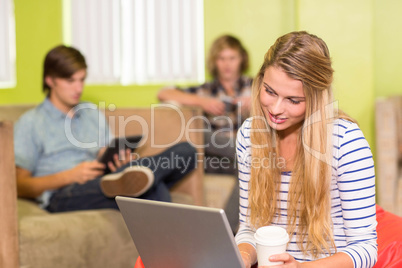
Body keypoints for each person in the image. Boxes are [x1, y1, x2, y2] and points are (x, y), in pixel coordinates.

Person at [235, 31, 377, 267]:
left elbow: (365, 249)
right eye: (269, 91)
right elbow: (249, 228)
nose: (276, 109)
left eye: (293, 100)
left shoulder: (346, 142)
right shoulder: (249, 135)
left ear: (315, 99)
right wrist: (241, 255)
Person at [14, 45, 197, 212]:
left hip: (104, 179)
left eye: (82, 79)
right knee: (152, 188)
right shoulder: (31, 122)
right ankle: (139, 179)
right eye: (71, 81)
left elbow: (105, 151)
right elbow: (19, 185)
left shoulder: (91, 112)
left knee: (187, 151)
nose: (79, 88)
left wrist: (118, 162)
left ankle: (134, 178)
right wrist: (70, 176)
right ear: (50, 80)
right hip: (64, 193)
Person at [158, 34, 252, 175]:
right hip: (216, 155)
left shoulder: (256, 86)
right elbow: (164, 93)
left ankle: (240, 152)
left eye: (232, 58)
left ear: (241, 59)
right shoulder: (205, 90)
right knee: (199, 135)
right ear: (215, 62)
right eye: (222, 59)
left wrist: (256, 102)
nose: (227, 64)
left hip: (247, 149)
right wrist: (202, 102)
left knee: (247, 156)